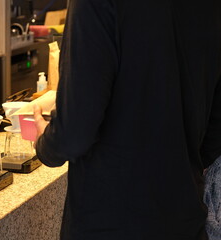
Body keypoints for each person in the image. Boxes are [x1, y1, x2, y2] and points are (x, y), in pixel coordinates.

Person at [33, 0, 221, 239]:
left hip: (110, 222)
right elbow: (216, 126)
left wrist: (45, 143)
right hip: (182, 217)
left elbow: (74, 133)